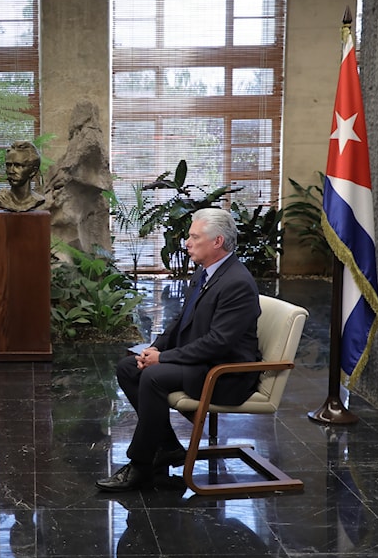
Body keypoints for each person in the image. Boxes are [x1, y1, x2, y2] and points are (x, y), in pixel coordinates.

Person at [96, 208, 261, 492]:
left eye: (194, 237)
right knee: (129, 367)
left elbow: (218, 343)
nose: (186, 241)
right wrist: (155, 348)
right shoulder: (206, 272)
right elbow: (180, 320)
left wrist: (164, 359)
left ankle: (141, 464)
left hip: (225, 374)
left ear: (217, 242)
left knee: (153, 377)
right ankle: (169, 446)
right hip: (201, 363)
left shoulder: (237, 283)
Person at [0, 140, 46, 212]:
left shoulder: (37, 199)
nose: (11, 171)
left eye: (18, 165)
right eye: (8, 165)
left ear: (33, 171)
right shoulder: (1, 199)